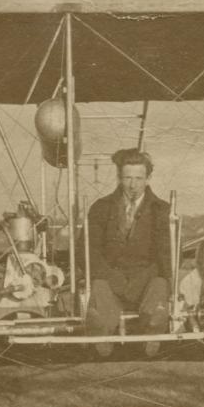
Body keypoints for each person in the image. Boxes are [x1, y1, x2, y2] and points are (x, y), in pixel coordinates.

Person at [84, 147, 172, 356]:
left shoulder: (162, 210)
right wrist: (111, 276)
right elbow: (88, 251)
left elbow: (167, 256)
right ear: (119, 177)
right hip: (111, 277)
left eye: (139, 178)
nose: (133, 185)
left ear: (148, 178)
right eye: (127, 178)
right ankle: (102, 332)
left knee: (160, 285)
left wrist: (160, 280)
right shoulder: (100, 208)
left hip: (146, 280)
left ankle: (152, 329)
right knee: (99, 287)